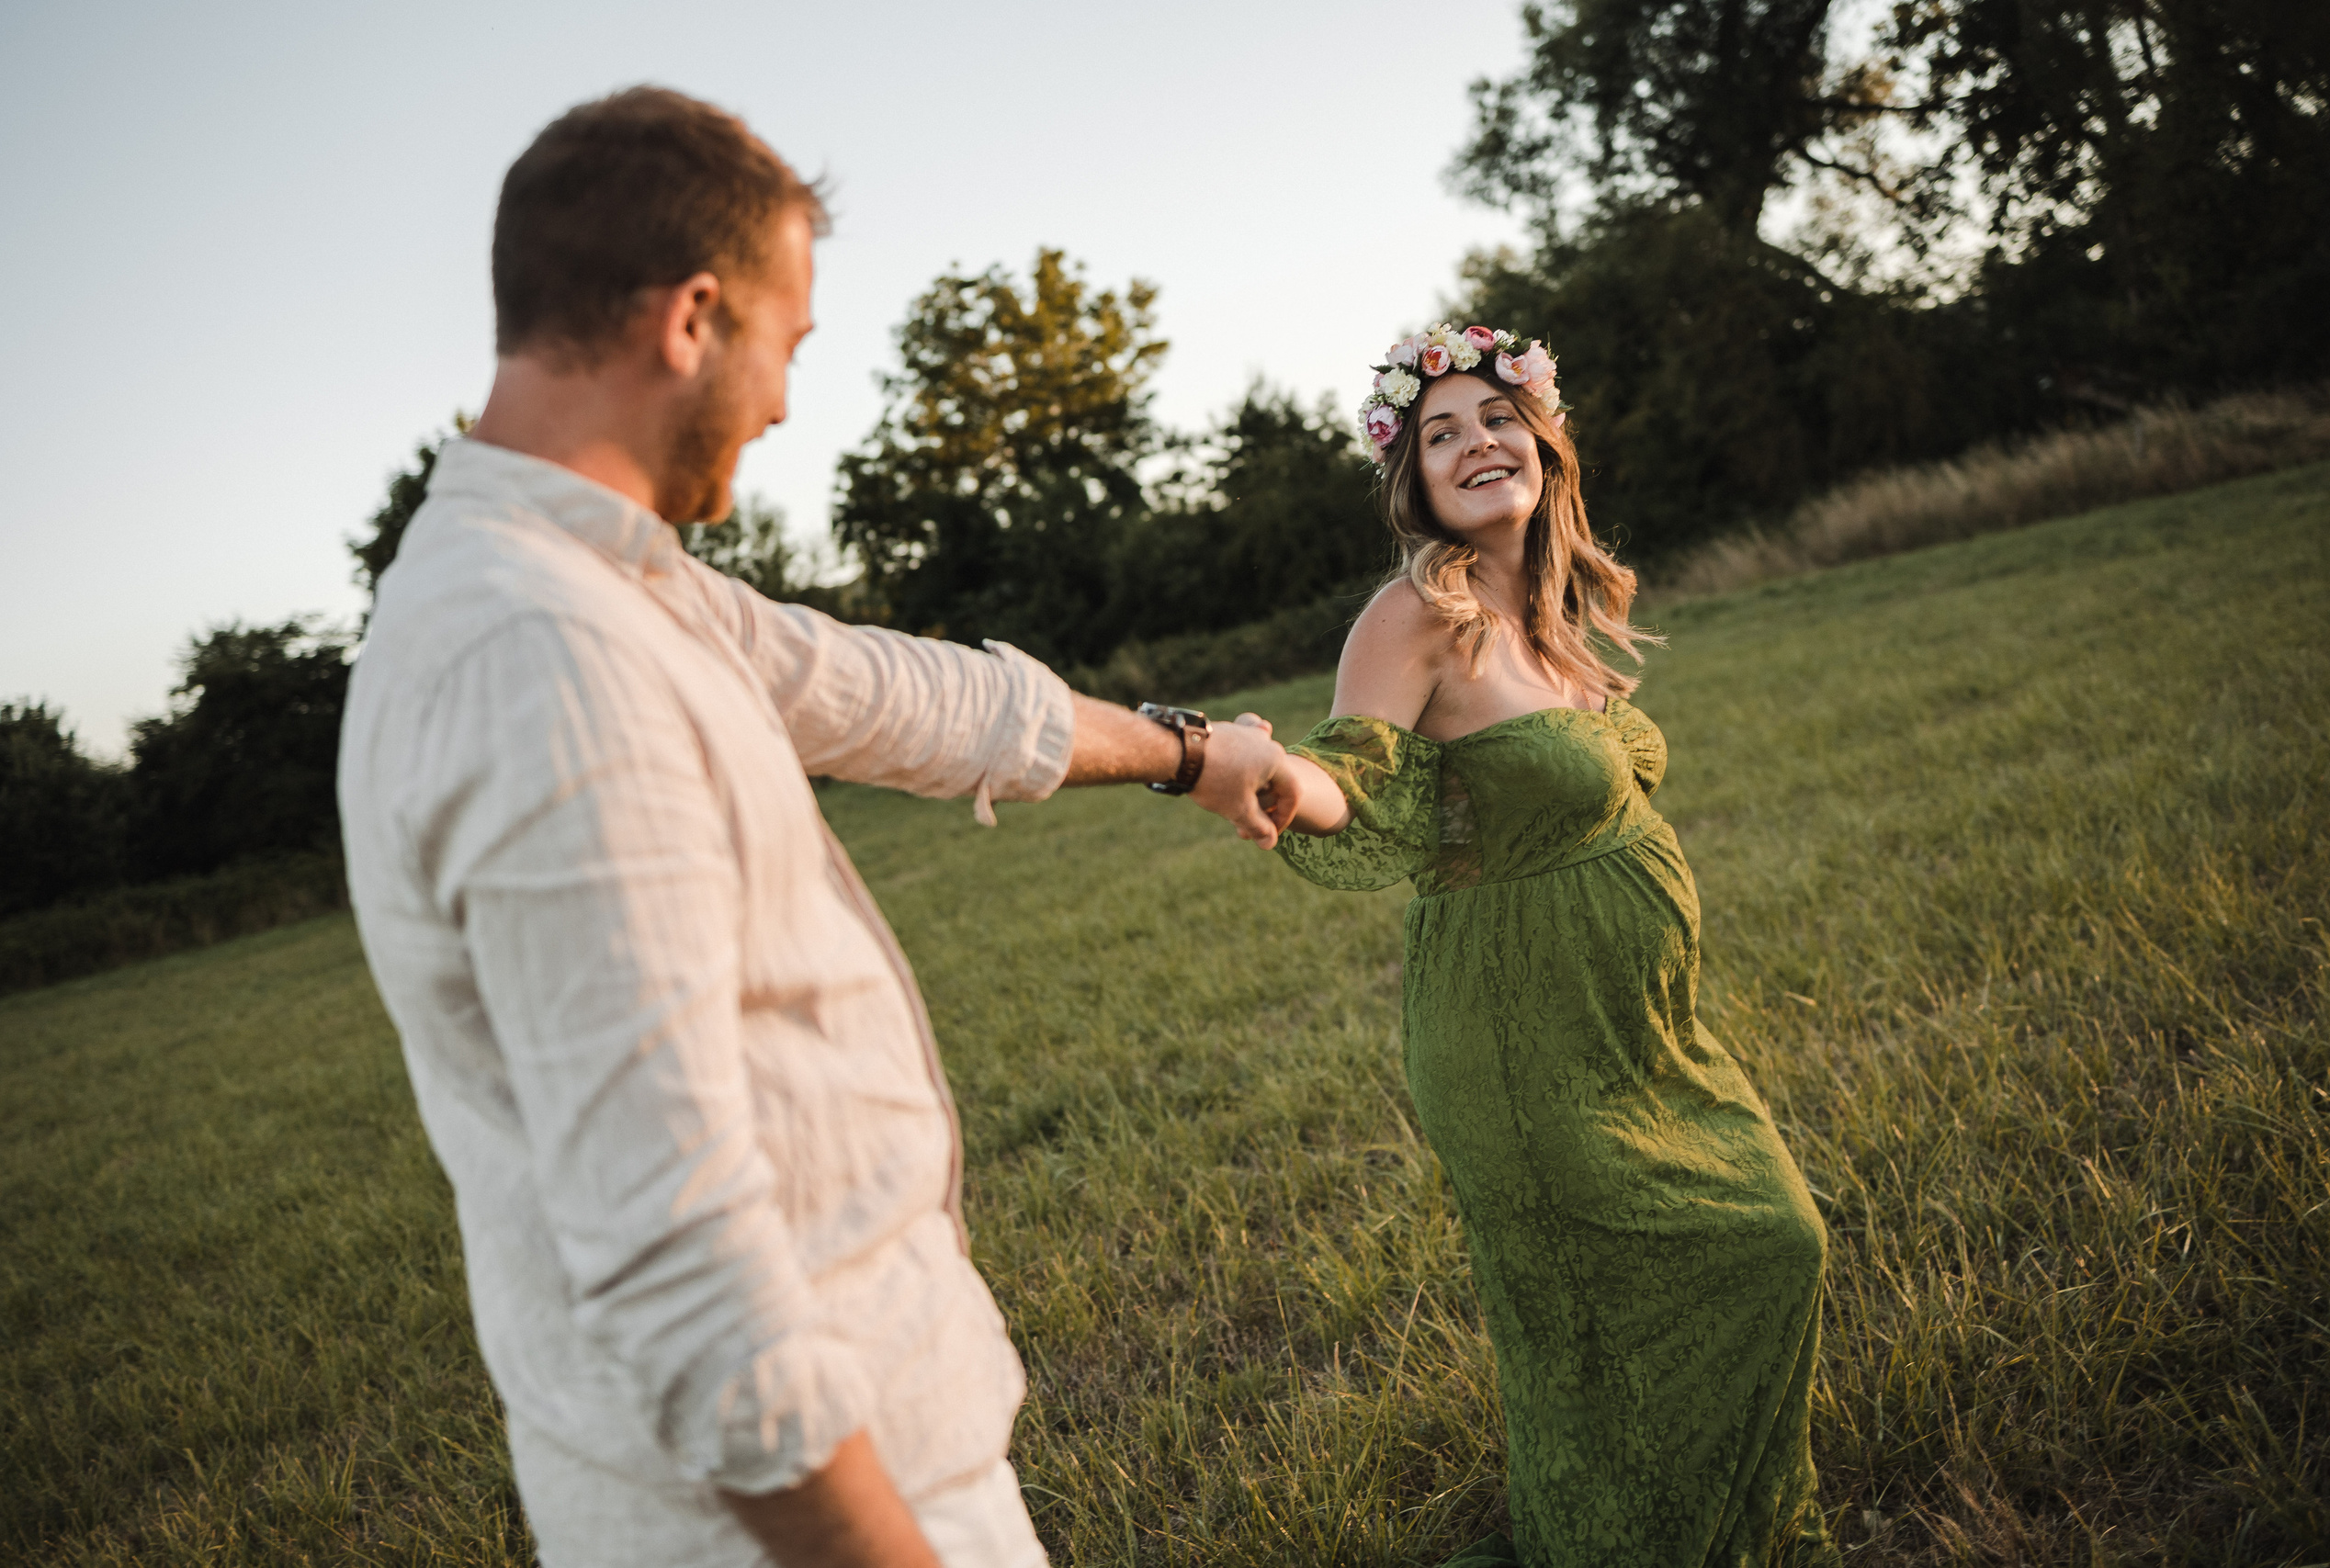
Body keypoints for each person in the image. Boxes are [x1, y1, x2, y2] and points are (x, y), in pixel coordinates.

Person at [336, 88, 1298, 1568]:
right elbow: (681, 1267)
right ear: (692, 319)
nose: (786, 401)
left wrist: (1192, 754)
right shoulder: (540, 659)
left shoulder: (605, 586)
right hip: (791, 1525)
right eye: (789, 344)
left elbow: (899, 696)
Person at [1255, 324, 1835, 1566]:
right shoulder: (1417, 615)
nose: (1477, 443)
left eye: (1496, 417)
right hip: (1518, 1039)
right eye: (1440, 434)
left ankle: (1716, 1531)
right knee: (1650, 1292)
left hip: (1639, 1031)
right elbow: (1351, 777)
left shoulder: (1552, 614)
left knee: (1766, 1243)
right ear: (1414, 481)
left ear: (1543, 440)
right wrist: (1266, 776)